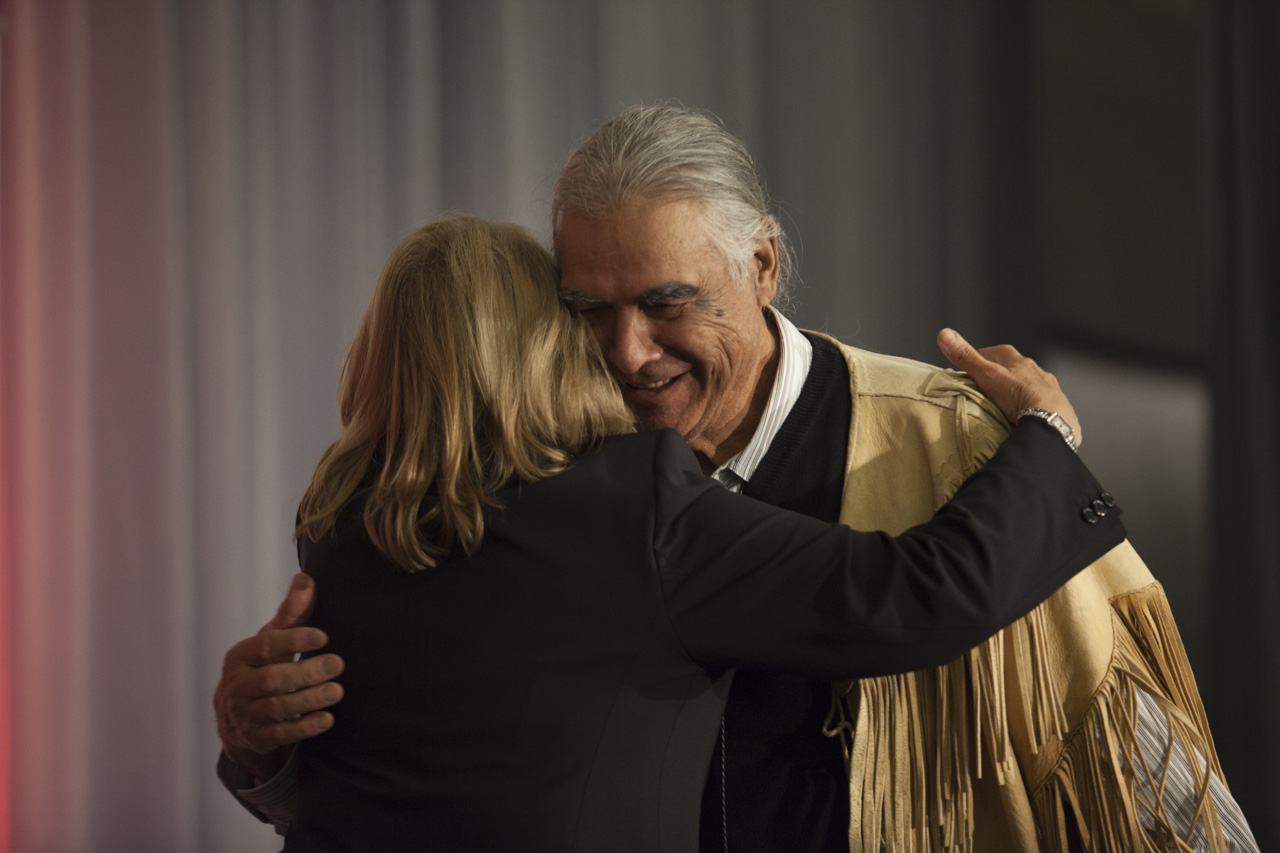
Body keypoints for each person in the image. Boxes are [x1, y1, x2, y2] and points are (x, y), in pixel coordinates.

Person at [217, 107, 1258, 851]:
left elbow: (1125, 745)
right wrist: (263, 744)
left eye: (667, 302)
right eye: (586, 309)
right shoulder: (514, 482)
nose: (627, 352)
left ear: (761, 267)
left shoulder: (956, 450)